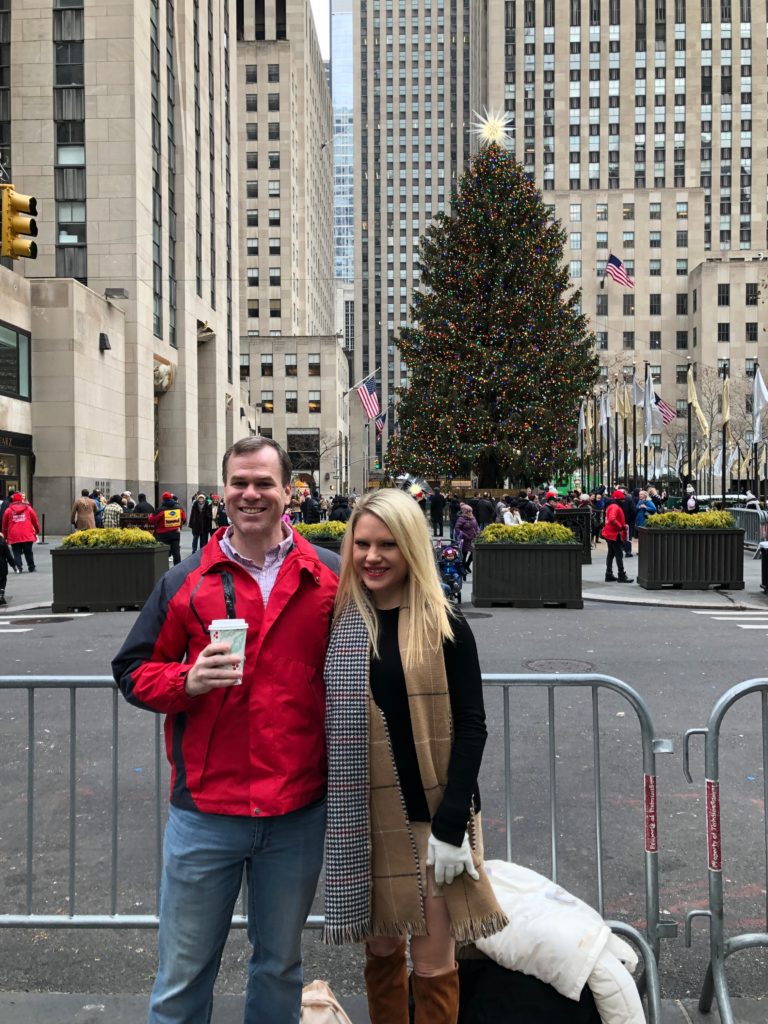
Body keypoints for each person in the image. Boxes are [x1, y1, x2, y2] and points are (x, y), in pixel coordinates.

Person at [112, 437, 340, 1024]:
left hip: (296, 812)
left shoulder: (330, 578)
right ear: (223, 492)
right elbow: (133, 670)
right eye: (239, 483)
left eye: (264, 482)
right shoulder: (186, 581)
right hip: (206, 814)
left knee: (279, 969)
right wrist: (187, 681)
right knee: (183, 977)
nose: (251, 494)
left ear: (288, 492)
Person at [322, 489, 505, 1024]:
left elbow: (473, 725)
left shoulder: (444, 623)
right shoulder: (340, 622)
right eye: (362, 544)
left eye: (387, 544)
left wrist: (452, 826)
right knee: (380, 953)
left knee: (432, 964)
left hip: (435, 818)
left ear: (411, 548)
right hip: (367, 819)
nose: (372, 557)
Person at [2, 492, 40, 573]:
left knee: (16, 552)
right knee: (28, 551)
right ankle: (31, 567)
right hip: (27, 534)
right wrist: (37, 530)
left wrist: (4, 536)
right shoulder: (28, 508)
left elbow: (4, 525)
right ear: (21, 500)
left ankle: (19, 567)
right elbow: (35, 521)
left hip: (14, 535)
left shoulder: (8, 510)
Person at [601, 490, 633, 583]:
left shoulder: (611, 506)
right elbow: (612, 519)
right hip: (614, 534)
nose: (623, 501)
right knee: (619, 554)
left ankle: (609, 574)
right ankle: (621, 575)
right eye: (622, 499)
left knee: (611, 554)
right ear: (617, 499)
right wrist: (621, 527)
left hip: (610, 534)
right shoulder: (615, 506)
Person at [150, 491, 186, 565]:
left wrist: (150, 515)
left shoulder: (160, 509)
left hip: (162, 535)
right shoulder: (179, 508)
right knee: (176, 553)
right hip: (175, 533)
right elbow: (184, 518)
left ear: (163, 499)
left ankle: (163, 568)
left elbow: (152, 519)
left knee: (162, 553)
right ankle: (177, 568)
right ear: (171, 498)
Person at [454, 502, 480, 574]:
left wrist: (478, 532)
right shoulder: (461, 518)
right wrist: (464, 535)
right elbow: (457, 528)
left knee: (473, 553)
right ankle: (463, 567)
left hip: (473, 539)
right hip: (465, 539)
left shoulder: (473, 517)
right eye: (469, 511)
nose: (470, 512)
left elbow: (477, 526)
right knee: (464, 554)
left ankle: (467, 565)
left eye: (471, 511)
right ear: (465, 511)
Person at [0, 528, 17, 604]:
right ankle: (1, 595)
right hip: (1, 564)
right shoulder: (2, 542)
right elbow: (8, 555)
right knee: (3, 580)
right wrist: (13, 566)